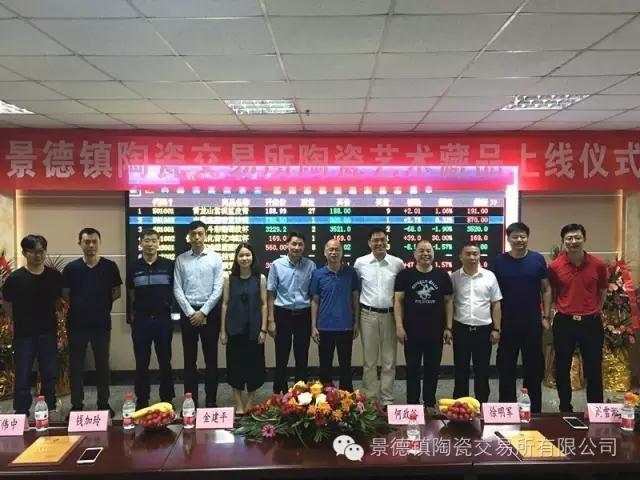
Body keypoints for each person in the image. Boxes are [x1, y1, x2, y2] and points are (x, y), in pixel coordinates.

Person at [491, 222, 551, 413]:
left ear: (527, 237)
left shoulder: (537, 259)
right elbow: (492, 295)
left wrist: (546, 316)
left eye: (523, 236)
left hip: (532, 323)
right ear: (508, 239)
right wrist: (495, 324)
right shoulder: (498, 261)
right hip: (507, 323)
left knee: (533, 368)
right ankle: (506, 409)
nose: (519, 240)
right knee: (506, 367)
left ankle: (534, 410)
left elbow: (546, 289)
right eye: (515, 237)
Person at [63, 227, 122, 416]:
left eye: (94, 241)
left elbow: (116, 292)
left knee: (102, 365)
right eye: (86, 242)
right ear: (79, 243)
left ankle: (103, 403)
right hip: (76, 324)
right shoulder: (71, 268)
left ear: (99, 243)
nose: (90, 245)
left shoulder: (110, 266)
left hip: (101, 324)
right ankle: (76, 405)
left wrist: (99, 305)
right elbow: (65, 294)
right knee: (76, 366)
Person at [548, 223, 608, 412]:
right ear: (563, 241)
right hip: (564, 321)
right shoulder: (555, 266)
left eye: (577, 237)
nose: (573, 241)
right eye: (569, 238)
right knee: (562, 366)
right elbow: (551, 291)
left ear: (584, 239)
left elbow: (603, 290)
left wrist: (597, 309)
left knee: (593, 368)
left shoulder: (598, 265)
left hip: (591, 323)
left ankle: (595, 409)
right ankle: (565, 407)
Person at [2, 235, 62, 416]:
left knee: (49, 372)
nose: (38, 255)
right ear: (24, 253)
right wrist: (17, 319)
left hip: (48, 332)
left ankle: (49, 406)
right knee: (23, 373)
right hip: (24, 334)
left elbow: (58, 301)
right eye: (33, 252)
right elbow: (7, 303)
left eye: (42, 251)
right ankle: (21, 410)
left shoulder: (54, 276)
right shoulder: (15, 278)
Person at [394, 240, 453, 409]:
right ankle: (412, 404)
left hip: (435, 331)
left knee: (432, 369)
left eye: (428, 251)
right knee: (412, 369)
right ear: (415, 254)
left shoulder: (442, 276)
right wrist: (399, 326)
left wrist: (449, 327)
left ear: (433, 254)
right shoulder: (405, 275)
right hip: (411, 331)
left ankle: (429, 403)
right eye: (421, 251)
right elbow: (398, 301)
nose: (425, 254)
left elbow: (449, 302)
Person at [174, 220, 224, 407]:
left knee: (211, 360)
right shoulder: (181, 259)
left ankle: (211, 402)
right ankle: (191, 402)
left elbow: (218, 288)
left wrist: (203, 312)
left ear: (206, 235)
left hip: (209, 314)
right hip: (188, 315)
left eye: (200, 233)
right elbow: (177, 289)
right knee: (189, 361)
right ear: (189, 236)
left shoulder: (215, 258)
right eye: (193, 234)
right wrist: (191, 313)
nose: (196, 237)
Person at [353, 227, 404, 405]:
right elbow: (356, 290)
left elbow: (401, 294)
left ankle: (387, 398)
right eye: (375, 240)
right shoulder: (360, 263)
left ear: (387, 241)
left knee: (389, 360)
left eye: (382, 240)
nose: (379, 243)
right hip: (368, 315)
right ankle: (370, 398)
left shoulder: (397, 263)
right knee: (369, 360)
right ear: (369, 243)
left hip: (390, 316)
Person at [126, 228, 175, 410]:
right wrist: (133, 315)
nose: (150, 244)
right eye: (147, 240)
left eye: (154, 240)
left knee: (165, 360)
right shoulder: (133, 267)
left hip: (163, 319)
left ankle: (167, 398)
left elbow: (175, 290)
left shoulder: (169, 265)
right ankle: (142, 399)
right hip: (141, 320)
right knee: (141, 362)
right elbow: (131, 293)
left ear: (159, 243)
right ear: (141, 243)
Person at [451, 242, 502, 403]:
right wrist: (449, 328)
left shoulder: (489, 276)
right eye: (468, 254)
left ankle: (482, 404)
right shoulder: (454, 277)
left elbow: (496, 303)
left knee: (482, 370)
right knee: (461, 370)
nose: (472, 257)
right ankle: (461, 406)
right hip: (461, 329)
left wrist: (496, 329)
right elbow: (449, 304)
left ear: (480, 256)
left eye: (475, 254)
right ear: (461, 257)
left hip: (484, 330)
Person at [220, 243, 267, 414]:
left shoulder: (260, 278)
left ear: (252, 257)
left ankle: (250, 402)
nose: (244, 258)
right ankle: (239, 403)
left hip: (254, 330)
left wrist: (263, 329)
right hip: (234, 330)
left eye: (247, 255)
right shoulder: (229, 279)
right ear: (236, 258)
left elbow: (264, 304)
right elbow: (225, 304)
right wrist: (223, 331)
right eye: (241, 255)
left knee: (254, 367)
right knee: (235, 368)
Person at [267, 231, 316, 394]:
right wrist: (271, 320)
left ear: (304, 247)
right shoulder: (277, 265)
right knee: (281, 355)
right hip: (283, 314)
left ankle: (301, 394)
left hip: (304, 314)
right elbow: (270, 294)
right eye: (293, 244)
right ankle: (278, 391)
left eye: (300, 244)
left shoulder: (310, 265)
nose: (296, 247)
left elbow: (314, 295)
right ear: (287, 245)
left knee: (302, 356)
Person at [311, 239, 360, 391]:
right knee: (325, 365)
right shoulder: (318, 274)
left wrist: (356, 322)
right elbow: (315, 301)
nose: (334, 252)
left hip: (346, 326)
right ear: (325, 253)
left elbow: (355, 298)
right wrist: (313, 326)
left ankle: (347, 399)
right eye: (330, 250)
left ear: (342, 252)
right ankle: (325, 398)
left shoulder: (351, 273)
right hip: (324, 327)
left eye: (337, 249)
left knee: (345, 365)